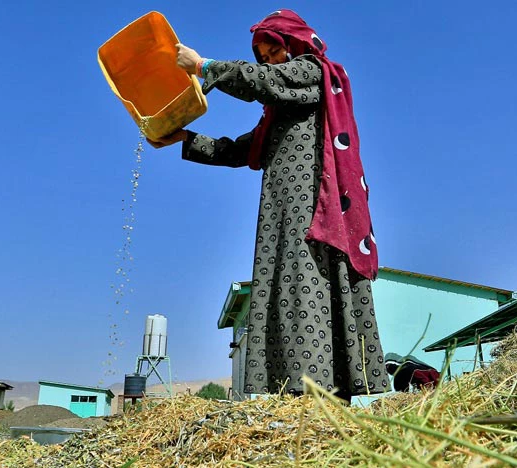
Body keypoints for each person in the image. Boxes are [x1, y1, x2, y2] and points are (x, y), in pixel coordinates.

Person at [148, 9, 388, 402]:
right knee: (286, 289)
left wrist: (204, 66)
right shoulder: (278, 115)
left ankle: (319, 394)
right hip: (281, 215)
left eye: (273, 51)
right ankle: (298, 395)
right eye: (261, 55)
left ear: (293, 44)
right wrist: (184, 138)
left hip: (317, 212)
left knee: (308, 285)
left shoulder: (314, 72)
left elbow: (264, 82)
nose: (268, 61)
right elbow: (241, 149)